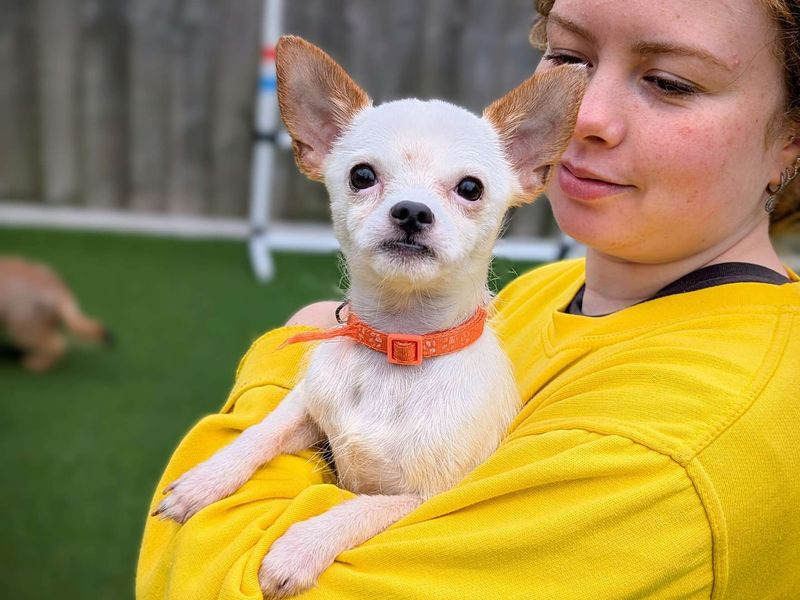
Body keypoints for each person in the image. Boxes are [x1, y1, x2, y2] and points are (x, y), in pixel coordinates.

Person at [137, 0, 800, 598]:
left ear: (792, 142)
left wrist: (289, 351)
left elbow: (215, 578)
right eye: (568, 58)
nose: (585, 114)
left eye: (670, 83)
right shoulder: (546, 294)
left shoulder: (670, 455)